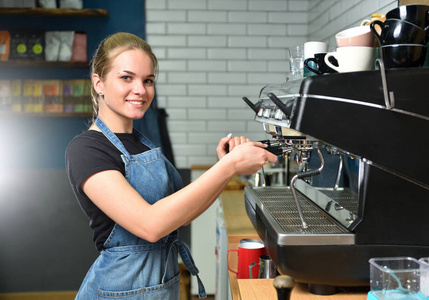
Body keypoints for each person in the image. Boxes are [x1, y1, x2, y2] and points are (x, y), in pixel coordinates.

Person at [65, 32, 277, 299]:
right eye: (126, 78)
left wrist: (225, 168)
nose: (140, 90)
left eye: (148, 80)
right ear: (99, 83)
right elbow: (150, 225)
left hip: (163, 283)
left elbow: (181, 216)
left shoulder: (142, 144)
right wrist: (229, 167)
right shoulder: (86, 149)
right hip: (120, 290)